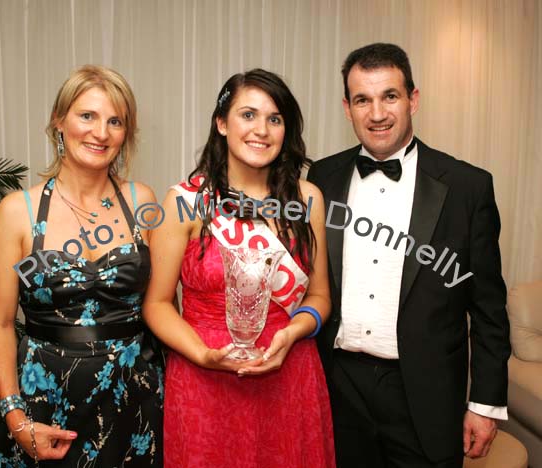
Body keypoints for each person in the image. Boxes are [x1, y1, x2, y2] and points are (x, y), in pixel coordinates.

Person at [307, 43, 511, 468]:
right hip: (338, 386)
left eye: (390, 96)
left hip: (424, 392)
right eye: (363, 99)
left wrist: (485, 404)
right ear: (347, 107)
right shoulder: (321, 177)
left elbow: (489, 309)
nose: (377, 113)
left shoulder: (467, 188)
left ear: (413, 99)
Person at [142, 68, 335, 468]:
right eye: (248, 115)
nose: (261, 129)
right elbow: (157, 304)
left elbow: (319, 297)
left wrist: (292, 332)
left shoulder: (308, 199)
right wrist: (203, 354)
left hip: (291, 376)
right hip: (204, 380)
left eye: (275, 119)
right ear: (221, 124)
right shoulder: (185, 201)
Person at [0, 65, 163, 467]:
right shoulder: (18, 212)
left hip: (134, 398)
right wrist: (16, 419)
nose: (101, 133)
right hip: (44, 403)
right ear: (59, 121)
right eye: (88, 116)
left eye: (115, 121)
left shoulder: (141, 200)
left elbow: (161, 306)